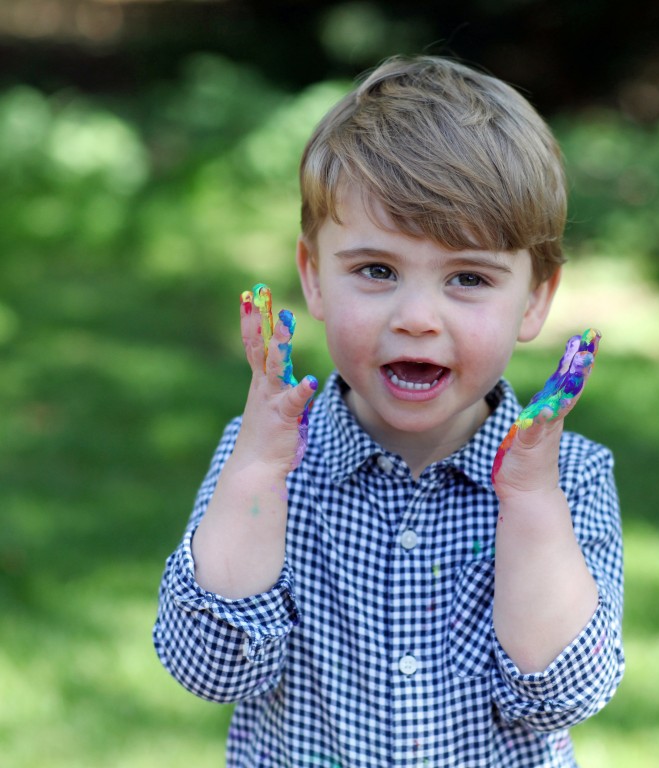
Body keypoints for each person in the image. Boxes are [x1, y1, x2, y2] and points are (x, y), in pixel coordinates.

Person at [153, 54, 624, 767]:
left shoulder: (574, 479)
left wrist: (528, 500)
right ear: (313, 277)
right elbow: (210, 670)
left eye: (468, 278)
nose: (416, 318)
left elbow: (562, 695)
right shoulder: (269, 459)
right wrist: (253, 473)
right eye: (377, 271)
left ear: (534, 299)